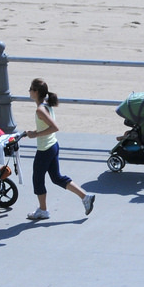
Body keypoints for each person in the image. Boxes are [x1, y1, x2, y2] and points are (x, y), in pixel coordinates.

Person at [21, 78, 96, 220]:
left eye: (30, 89)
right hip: (53, 146)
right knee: (56, 177)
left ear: (36, 92)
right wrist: (32, 132)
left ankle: (43, 210)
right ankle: (85, 196)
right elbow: (47, 127)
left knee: (37, 179)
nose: (29, 91)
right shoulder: (46, 105)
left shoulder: (40, 110)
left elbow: (55, 127)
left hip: (45, 149)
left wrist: (35, 134)